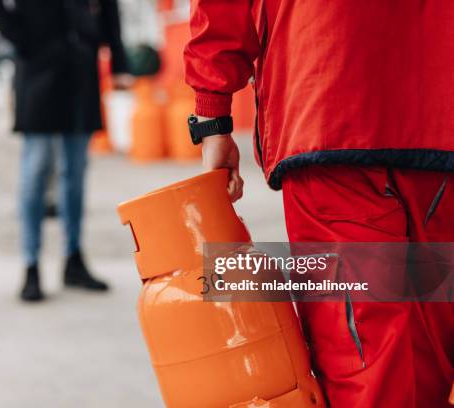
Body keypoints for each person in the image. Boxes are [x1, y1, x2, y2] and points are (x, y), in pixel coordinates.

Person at [184, 1, 453, 407]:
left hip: (327, 99)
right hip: (440, 117)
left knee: (359, 350)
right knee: (433, 340)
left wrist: (213, 116)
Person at [0, 0, 132, 301]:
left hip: (81, 68)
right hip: (38, 69)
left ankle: (73, 259)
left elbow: (110, 6)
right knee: (35, 171)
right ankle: (31, 264)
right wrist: (18, 36)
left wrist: (118, 60)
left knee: (75, 175)